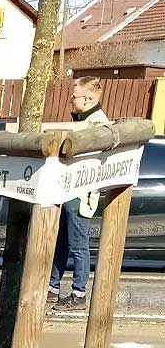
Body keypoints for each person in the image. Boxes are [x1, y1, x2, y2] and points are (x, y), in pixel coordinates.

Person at [48, 76, 110, 311]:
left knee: (78, 244)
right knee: (62, 242)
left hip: (82, 191)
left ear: (88, 98)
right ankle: (53, 288)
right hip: (70, 188)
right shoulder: (85, 120)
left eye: (74, 97)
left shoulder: (97, 124)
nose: (71, 101)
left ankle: (78, 293)